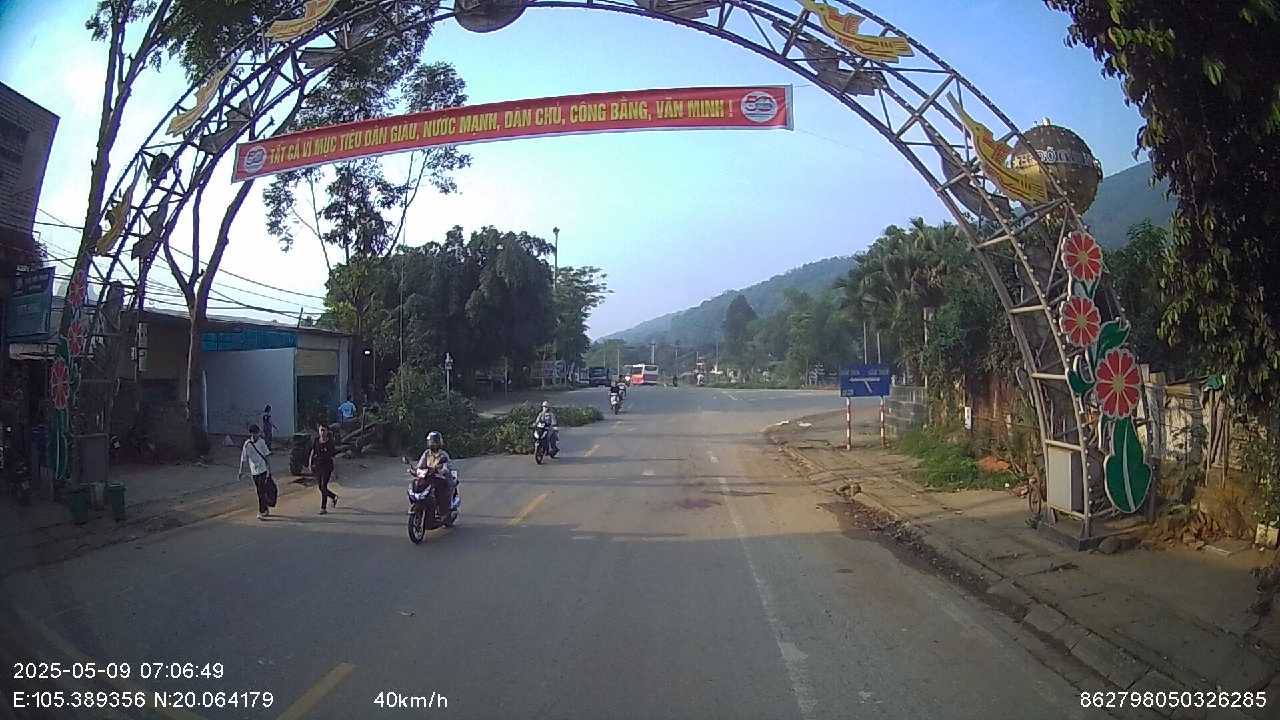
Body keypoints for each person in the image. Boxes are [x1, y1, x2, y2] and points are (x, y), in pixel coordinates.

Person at [415, 431, 455, 519]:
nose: (433, 444)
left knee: (439, 492)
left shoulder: (443, 455)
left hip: (442, 478)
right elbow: (420, 465)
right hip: (429, 476)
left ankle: (442, 512)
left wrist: (440, 470)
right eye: (431, 442)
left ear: (439, 443)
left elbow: (446, 468)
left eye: (434, 442)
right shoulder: (426, 453)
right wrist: (416, 470)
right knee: (418, 484)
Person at [238, 424, 273, 520]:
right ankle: (265, 508)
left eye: (257, 433)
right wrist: (241, 471)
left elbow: (267, 455)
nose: (256, 435)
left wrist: (269, 470)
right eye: (254, 433)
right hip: (254, 471)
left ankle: (261, 511)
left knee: (261, 490)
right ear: (251, 434)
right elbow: (243, 458)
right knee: (259, 491)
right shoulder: (247, 444)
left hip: (263, 470)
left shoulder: (262, 442)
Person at [309, 424, 339, 514]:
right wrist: (310, 463)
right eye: (321, 430)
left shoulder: (330, 443)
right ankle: (333, 496)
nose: (322, 432)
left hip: (327, 466)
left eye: (324, 430)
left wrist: (335, 471)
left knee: (323, 486)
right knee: (320, 487)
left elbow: (333, 456)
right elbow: (313, 452)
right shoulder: (316, 441)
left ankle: (323, 508)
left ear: (327, 431)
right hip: (318, 466)